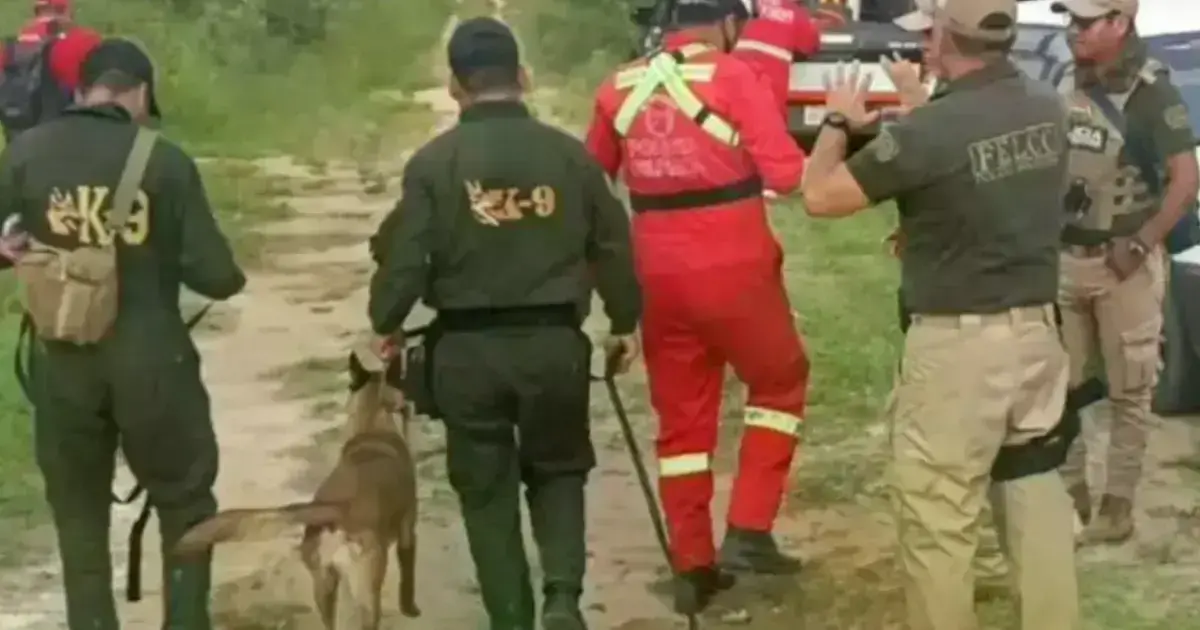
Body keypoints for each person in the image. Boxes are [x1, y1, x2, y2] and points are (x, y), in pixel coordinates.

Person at [800, 0, 1080, 628]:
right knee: (1035, 503)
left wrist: (838, 125)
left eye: (928, 33)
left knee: (938, 520)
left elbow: (819, 197)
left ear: (947, 38)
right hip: (1035, 334)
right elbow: (981, 173)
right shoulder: (1046, 104)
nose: (922, 44)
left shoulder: (931, 132)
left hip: (959, 348)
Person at [367, 17, 641, 630]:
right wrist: (625, 322)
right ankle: (564, 599)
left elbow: (405, 259)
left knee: (485, 491)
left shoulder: (434, 165)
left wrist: (383, 321)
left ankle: (511, 619)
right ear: (523, 77)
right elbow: (614, 246)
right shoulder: (570, 157)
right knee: (560, 468)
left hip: (467, 355)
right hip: (555, 346)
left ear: (454, 86)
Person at [0, 38, 245, 630]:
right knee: (185, 504)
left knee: (78, 517)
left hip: (62, 364)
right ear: (139, 93)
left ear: (81, 91)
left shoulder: (26, 152)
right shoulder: (164, 161)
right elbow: (217, 276)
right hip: (154, 365)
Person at [584, 0, 819, 614]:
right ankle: (748, 527)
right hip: (737, 263)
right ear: (727, 24)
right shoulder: (735, 75)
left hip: (657, 274)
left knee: (683, 426)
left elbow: (592, 184)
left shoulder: (618, 86)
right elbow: (787, 175)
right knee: (779, 381)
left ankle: (692, 563)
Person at [1049, 0, 1200, 545]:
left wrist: (1139, 243)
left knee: (1130, 391)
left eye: (1084, 23)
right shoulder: (1067, 79)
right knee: (1058, 390)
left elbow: (1186, 180)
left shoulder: (1152, 93)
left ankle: (1117, 510)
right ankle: (1070, 503)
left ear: (1120, 23)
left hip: (1123, 268)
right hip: (1065, 259)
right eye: (1069, 21)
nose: (1073, 32)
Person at [0, 0, 102, 139]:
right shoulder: (85, 40)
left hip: (19, 141)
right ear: (67, 11)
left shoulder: (12, 47)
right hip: (67, 137)